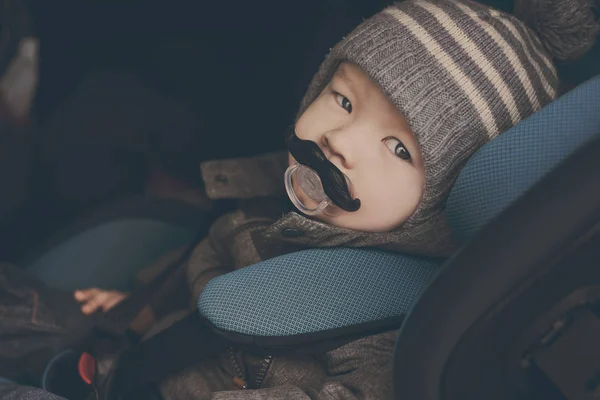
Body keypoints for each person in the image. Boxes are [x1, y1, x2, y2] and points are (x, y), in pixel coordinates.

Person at [3, 0, 598, 398]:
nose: (340, 142)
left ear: (443, 204)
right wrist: (140, 307)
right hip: (127, 351)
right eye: (343, 101)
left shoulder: (387, 331)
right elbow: (205, 269)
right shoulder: (270, 207)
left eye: (397, 149)